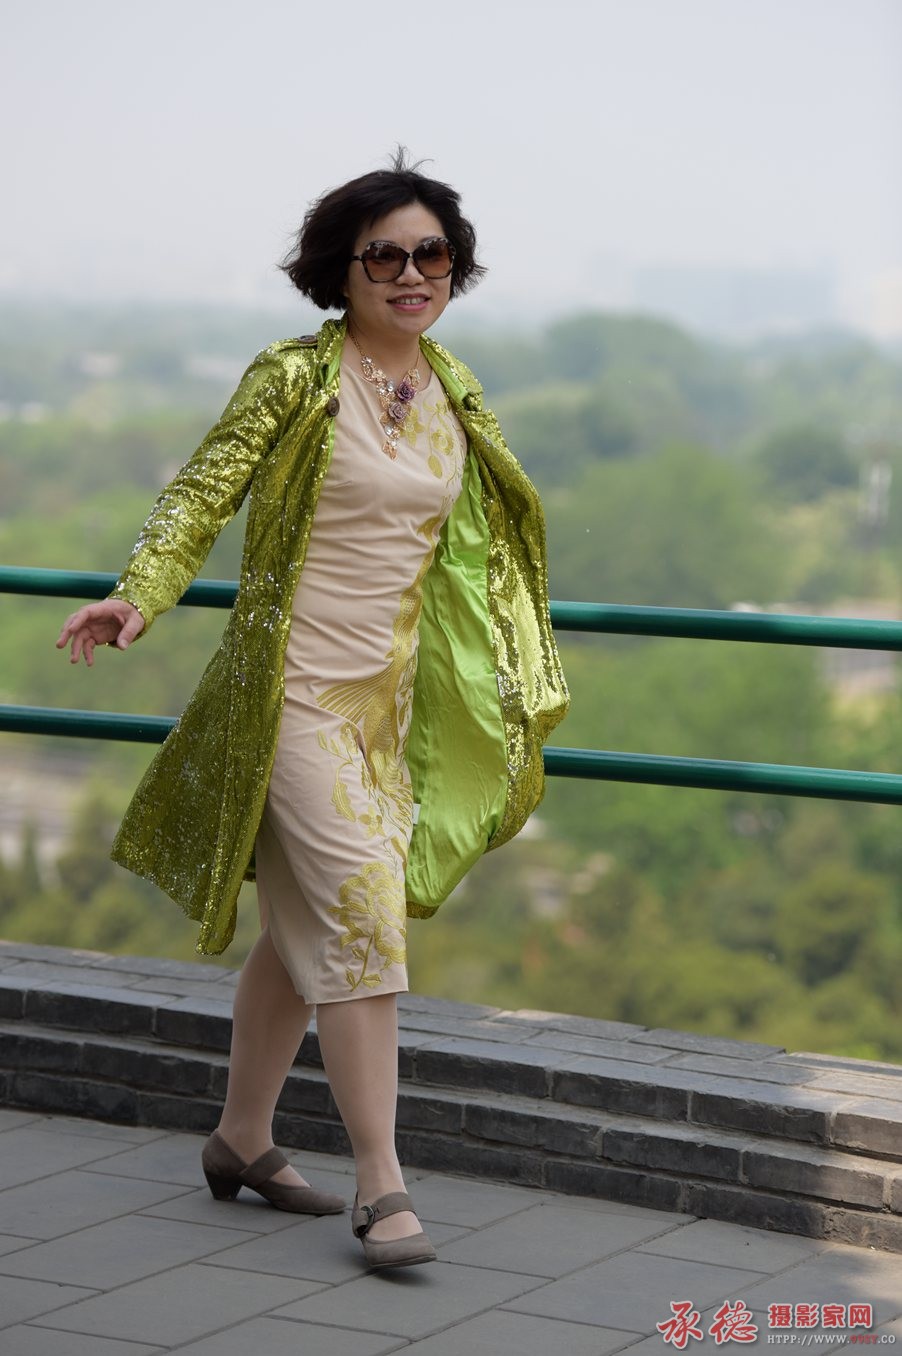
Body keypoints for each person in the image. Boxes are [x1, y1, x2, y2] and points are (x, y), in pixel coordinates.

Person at [56, 152, 569, 1269]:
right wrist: (140, 593)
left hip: (388, 711)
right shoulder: (295, 377)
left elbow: (484, 553)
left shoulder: (454, 389)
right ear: (340, 271)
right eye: (383, 256)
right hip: (290, 697)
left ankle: (241, 1139)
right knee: (362, 919)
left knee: (305, 934)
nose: (410, 274)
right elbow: (202, 492)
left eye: (431, 253)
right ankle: (382, 1185)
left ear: (456, 268)